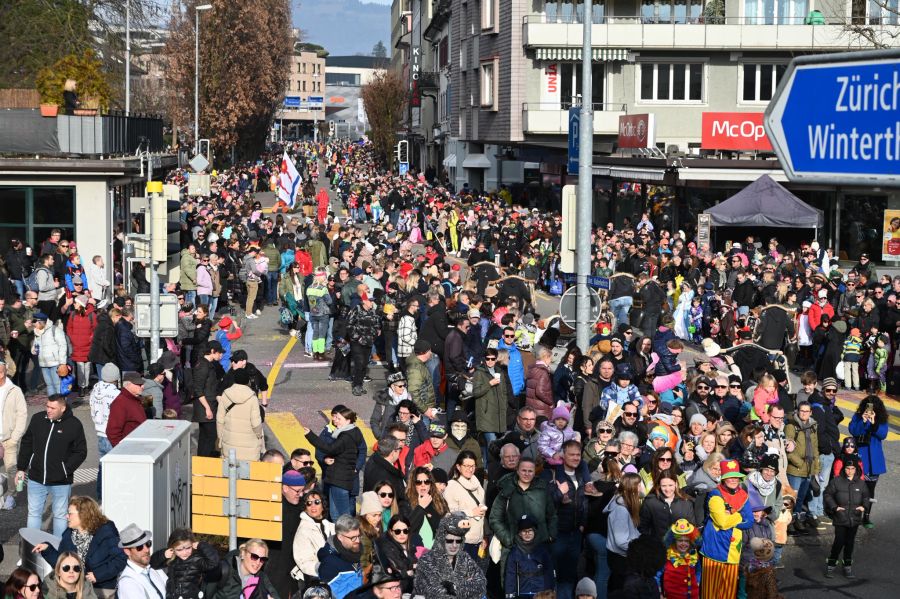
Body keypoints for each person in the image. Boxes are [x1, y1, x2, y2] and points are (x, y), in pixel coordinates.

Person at [16, 394, 87, 535]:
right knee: (34, 513)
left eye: (53, 408)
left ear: (63, 408)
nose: (48, 410)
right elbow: (26, 443)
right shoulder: (37, 419)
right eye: (47, 406)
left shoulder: (74, 424)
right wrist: (21, 468)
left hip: (61, 480)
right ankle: (32, 549)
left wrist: (65, 470)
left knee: (60, 515)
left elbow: (80, 452)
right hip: (36, 477)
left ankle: (58, 549)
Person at [33, 496, 125, 599]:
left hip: (101, 589)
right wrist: (47, 550)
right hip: (77, 589)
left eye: (70, 513)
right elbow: (63, 565)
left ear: (83, 515)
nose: (67, 517)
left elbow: (120, 559)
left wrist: (98, 575)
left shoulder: (106, 531)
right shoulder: (68, 535)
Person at [699, 460, 753, 599]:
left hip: (733, 549)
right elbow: (722, 522)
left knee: (728, 591)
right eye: (729, 476)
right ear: (723, 478)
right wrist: (739, 516)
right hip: (715, 548)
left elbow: (750, 522)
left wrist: (731, 516)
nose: (733, 480)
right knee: (711, 592)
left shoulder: (743, 495)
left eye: (736, 476)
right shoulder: (715, 495)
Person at [304, 405, 366, 520]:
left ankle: (348, 535)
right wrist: (325, 460)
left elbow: (329, 449)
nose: (334, 420)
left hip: (340, 480)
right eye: (334, 417)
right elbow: (322, 453)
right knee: (336, 514)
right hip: (339, 480)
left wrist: (310, 435)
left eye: (338, 418)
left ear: (348, 421)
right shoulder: (352, 431)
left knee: (343, 516)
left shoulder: (345, 436)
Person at [413, 512, 486, 599]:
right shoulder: (427, 560)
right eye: (449, 541)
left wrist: (454, 587)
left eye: (458, 541)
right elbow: (434, 592)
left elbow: (481, 584)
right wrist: (467, 585)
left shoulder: (464, 558)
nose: (454, 545)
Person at [823, 455, 869, 579]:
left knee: (850, 543)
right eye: (848, 468)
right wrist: (835, 507)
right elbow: (827, 494)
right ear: (844, 468)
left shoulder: (861, 482)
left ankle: (847, 566)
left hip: (854, 518)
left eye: (852, 468)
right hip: (840, 517)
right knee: (839, 541)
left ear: (856, 469)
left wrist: (864, 506)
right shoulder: (836, 481)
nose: (850, 471)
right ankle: (831, 565)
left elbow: (866, 496)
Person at [848, 394, 888, 528]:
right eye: (868, 407)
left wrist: (874, 423)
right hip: (860, 458)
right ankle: (854, 515)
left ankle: (866, 517)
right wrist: (863, 421)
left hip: (874, 462)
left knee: (870, 491)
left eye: (872, 408)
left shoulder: (881, 419)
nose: (870, 410)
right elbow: (853, 430)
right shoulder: (859, 416)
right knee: (856, 489)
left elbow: (883, 434)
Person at [148, 528, 220, 599]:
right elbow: (152, 564)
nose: (185, 553)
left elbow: (213, 562)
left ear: (193, 545)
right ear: (172, 548)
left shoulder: (197, 559)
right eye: (179, 550)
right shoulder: (172, 559)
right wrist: (163, 555)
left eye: (188, 548)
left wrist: (202, 545)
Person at [443, 451, 487, 559]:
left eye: (472, 466)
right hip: (461, 540)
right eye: (466, 465)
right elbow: (449, 514)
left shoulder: (478, 485)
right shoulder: (451, 486)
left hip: (477, 540)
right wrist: (471, 512)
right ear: (458, 466)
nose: (470, 469)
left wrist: (485, 535)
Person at [217, 368, 264, 460]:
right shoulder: (252, 397)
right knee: (248, 471)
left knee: (230, 469)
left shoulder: (225, 394)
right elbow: (256, 423)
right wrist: (259, 435)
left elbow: (220, 420)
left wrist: (220, 437)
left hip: (229, 442)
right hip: (249, 445)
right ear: (248, 381)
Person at [504, 515, 555, 599]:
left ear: (535, 531)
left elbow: (549, 571)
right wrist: (509, 593)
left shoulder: (542, 551)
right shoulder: (515, 552)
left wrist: (550, 589)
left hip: (540, 592)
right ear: (519, 533)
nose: (527, 534)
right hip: (522, 592)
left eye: (530, 530)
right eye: (524, 531)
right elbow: (510, 574)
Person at [292, 489, 335, 586]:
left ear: (323, 505)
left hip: (333, 577)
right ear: (305, 508)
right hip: (314, 580)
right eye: (309, 503)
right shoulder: (303, 530)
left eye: (317, 502)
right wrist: (325, 569)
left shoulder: (332, 527)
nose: (313, 506)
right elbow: (304, 562)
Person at [0, 361, 27, 510]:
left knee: (11, 469)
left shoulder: (14, 391)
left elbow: (22, 414)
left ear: (2, 373)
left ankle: (11, 495)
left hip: (9, 438)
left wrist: (15, 437)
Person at [116, 524, 169, 599]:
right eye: (139, 547)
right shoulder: (128, 582)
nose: (147, 550)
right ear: (127, 551)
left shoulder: (155, 569)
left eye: (148, 544)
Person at [215, 539, 280, 599]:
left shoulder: (261, 577)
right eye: (254, 556)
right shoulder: (224, 570)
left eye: (263, 559)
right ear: (243, 553)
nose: (258, 562)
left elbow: (274, 595)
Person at [317, 515, 363, 599]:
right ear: (340, 537)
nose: (358, 541)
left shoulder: (357, 550)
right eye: (353, 538)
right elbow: (335, 595)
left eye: (359, 536)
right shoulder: (330, 563)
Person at [193, 341, 225, 457]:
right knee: (210, 436)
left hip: (210, 404)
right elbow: (198, 389)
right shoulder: (203, 366)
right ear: (212, 351)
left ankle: (202, 462)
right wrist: (207, 408)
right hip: (205, 407)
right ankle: (205, 462)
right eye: (219, 353)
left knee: (205, 437)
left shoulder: (208, 364)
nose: (221, 355)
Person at [374, 515, 418, 593]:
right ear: (391, 532)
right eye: (397, 531)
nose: (402, 534)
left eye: (405, 531)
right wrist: (410, 570)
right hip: (393, 591)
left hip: (407, 589)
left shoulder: (411, 543)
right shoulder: (386, 546)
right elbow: (397, 570)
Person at [105, 372, 147, 447]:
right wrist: (122, 449)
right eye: (139, 384)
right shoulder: (120, 403)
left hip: (139, 446)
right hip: (130, 449)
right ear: (128, 385)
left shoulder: (137, 398)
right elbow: (112, 432)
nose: (143, 386)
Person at [31, 312, 67, 395]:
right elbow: (36, 345)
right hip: (43, 363)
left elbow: (63, 346)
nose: (33, 324)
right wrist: (33, 349)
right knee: (49, 385)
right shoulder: (37, 332)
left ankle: (61, 403)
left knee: (58, 384)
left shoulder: (55, 330)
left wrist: (62, 363)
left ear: (41, 322)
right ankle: (53, 402)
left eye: (35, 322)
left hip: (55, 363)